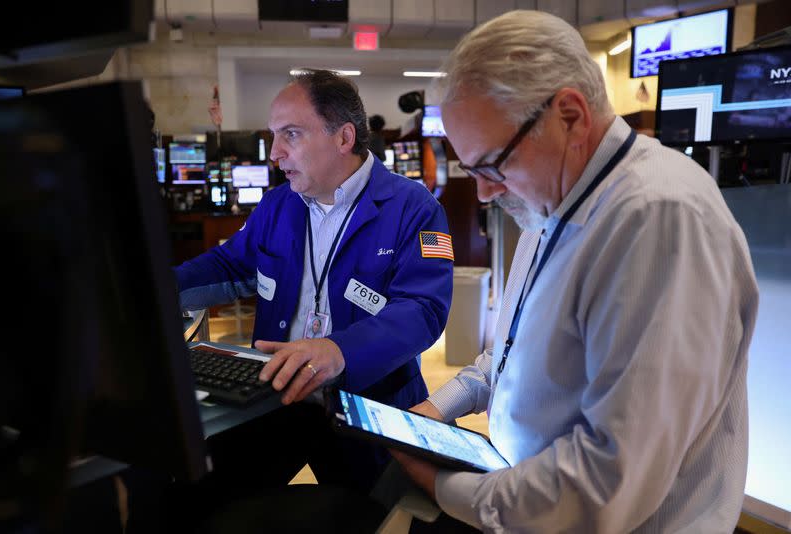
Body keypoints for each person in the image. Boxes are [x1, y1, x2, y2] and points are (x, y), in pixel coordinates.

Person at [390, 10, 759, 533]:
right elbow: (516, 354)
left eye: (493, 165)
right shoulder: (553, 202)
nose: (485, 192)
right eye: (472, 171)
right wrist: (437, 408)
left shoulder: (658, 219)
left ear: (570, 115)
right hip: (526, 501)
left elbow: (608, 481)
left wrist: (444, 485)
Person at [173, 69, 453, 498]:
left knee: (368, 514)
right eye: (273, 136)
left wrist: (340, 350)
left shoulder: (413, 208)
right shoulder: (278, 205)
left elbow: (422, 309)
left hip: (368, 403)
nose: (274, 154)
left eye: (291, 135)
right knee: (201, 494)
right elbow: (229, 268)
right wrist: (153, 290)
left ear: (343, 138)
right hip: (277, 396)